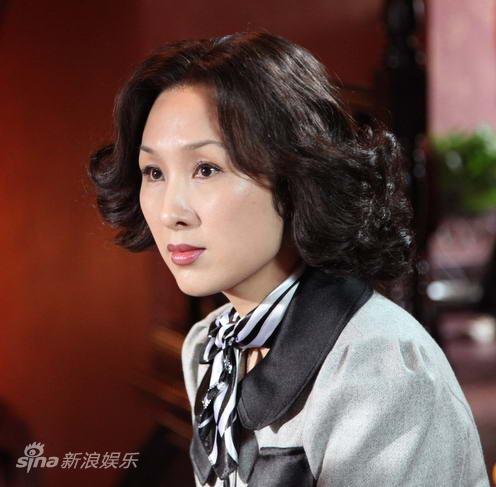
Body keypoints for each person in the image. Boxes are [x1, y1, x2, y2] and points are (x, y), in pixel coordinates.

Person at [88, 31, 490, 487]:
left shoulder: (377, 365)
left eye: (206, 169)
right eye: (154, 172)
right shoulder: (210, 347)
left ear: (296, 174)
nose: (169, 212)